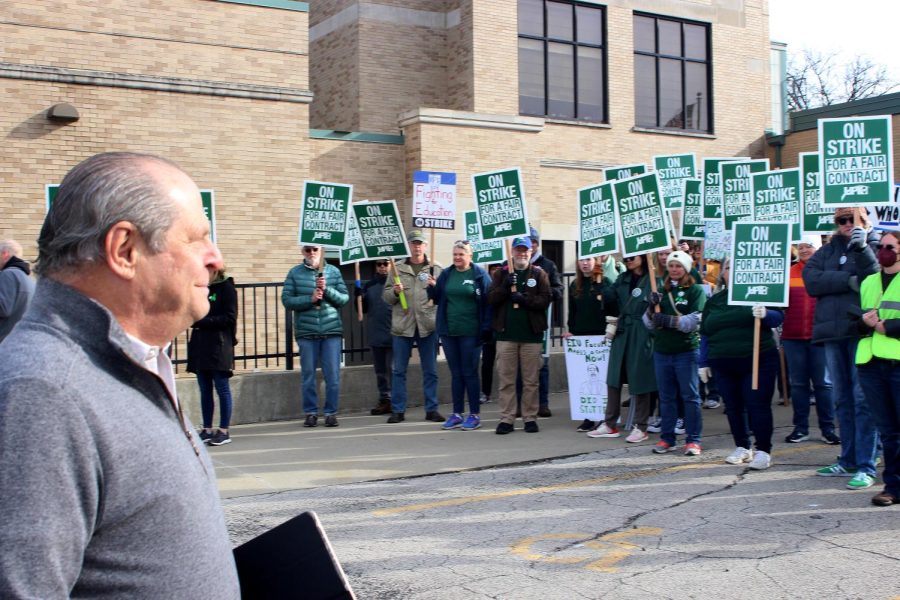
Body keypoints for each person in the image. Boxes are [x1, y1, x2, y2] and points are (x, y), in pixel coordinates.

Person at [0, 152, 239, 597]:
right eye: (196, 238)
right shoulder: (44, 394)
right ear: (125, 250)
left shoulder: (126, 364)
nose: (216, 258)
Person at [803, 207, 881, 490]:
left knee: (863, 401)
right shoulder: (827, 250)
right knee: (842, 399)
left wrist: (862, 250)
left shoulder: (874, 245)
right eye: (842, 220)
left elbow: (872, 280)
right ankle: (847, 458)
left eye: (853, 219)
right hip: (832, 334)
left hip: (861, 333)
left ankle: (866, 464)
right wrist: (846, 280)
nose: (848, 224)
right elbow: (812, 280)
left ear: (864, 220)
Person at [700, 258, 783, 470]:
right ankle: (742, 446)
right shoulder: (715, 301)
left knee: (757, 404)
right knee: (733, 407)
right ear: (722, 274)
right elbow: (706, 332)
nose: (731, 271)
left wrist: (765, 313)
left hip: (757, 360)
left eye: (736, 267)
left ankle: (763, 450)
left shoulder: (758, 294)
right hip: (723, 363)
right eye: (727, 268)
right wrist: (703, 362)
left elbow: (777, 318)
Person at [588, 254, 657, 442]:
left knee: (640, 377)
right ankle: (610, 423)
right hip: (623, 330)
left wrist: (657, 302)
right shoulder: (623, 278)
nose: (628, 261)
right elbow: (609, 296)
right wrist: (600, 279)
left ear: (643, 257)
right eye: (625, 258)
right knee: (614, 376)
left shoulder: (652, 279)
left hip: (642, 331)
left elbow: (658, 306)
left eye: (631, 257)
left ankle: (641, 426)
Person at [643, 250, 706, 455]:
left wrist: (671, 321)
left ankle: (693, 439)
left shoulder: (695, 290)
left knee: (690, 396)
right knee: (666, 397)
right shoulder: (660, 289)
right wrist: (651, 308)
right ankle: (667, 438)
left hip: (685, 351)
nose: (674, 269)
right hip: (662, 351)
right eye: (671, 265)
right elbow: (648, 323)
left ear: (686, 268)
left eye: (678, 266)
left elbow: (696, 320)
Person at [855, 229, 900, 506]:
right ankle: (892, 486)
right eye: (881, 246)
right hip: (870, 363)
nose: (883, 250)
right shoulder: (869, 282)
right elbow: (858, 321)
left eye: (890, 246)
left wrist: (890, 327)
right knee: (887, 430)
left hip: (897, 361)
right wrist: (864, 324)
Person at [488, 236, 551, 434]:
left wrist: (524, 300)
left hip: (531, 336)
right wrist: (505, 287)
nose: (521, 253)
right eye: (518, 250)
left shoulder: (539, 274)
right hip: (506, 336)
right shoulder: (501, 274)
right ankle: (507, 418)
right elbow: (490, 299)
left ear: (530, 252)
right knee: (506, 379)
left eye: (525, 250)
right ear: (512, 252)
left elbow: (545, 299)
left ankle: (530, 418)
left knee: (530, 380)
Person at [282, 244, 349, 428]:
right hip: (307, 332)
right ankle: (310, 413)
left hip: (331, 331)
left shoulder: (333, 272)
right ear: (302, 252)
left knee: (333, 376)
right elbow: (287, 300)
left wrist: (326, 289)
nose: (311, 253)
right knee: (308, 375)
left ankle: (330, 413)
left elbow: (344, 299)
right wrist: (309, 299)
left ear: (321, 250)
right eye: (307, 250)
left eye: (315, 250)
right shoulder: (294, 273)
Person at [383, 229, 444, 423]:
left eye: (420, 243)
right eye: (413, 243)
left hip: (428, 324)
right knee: (399, 370)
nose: (417, 246)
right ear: (408, 246)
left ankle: (432, 409)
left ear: (425, 245)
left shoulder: (435, 268)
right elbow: (385, 297)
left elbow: (445, 297)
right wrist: (394, 291)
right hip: (403, 324)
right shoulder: (396, 268)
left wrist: (437, 288)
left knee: (431, 370)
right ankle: (398, 410)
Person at [781, 235, 838, 445]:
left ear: (818, 248)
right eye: (801, 246)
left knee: (824, 384)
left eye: (809, 246)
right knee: (798, 385)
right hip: (793, 337)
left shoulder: (826, 270)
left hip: (820, 337)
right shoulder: (788, 273)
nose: (804, 250)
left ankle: (828, 428)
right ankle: (801, 428)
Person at [433, 240, 490, 431]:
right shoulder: (447, 274)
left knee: (469, 373)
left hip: (471, 332)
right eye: (455, 254)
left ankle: (474, 414)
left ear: (470, 256)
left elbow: (489, 303)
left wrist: (486, 329)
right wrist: (431, 286)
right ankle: (457, 413)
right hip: (450, 331)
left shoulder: (479, 275)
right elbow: (436, 297)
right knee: (456, 374)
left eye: (461, 254)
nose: (457, 257)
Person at [564, 256, 618, 432]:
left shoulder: (606, 282)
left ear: (596, 262)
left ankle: (605, 416)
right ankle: (588, 416)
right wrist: (571, 330)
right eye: (581, 260)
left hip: (600, 337)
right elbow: (573, 311)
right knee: (584, 377)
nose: (584, 263)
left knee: (602, 378)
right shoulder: (575, 285)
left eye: (588, 260)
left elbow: (612, 308)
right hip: (581, 338)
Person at [516, 226, 563, 417]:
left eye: (534, 242)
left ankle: (542, 402)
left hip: (539, 321)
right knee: (518, 365)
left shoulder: (548, 265)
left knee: (541, 364)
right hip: (519, 322)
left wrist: (542, 294)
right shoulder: (511, 265)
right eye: (528, 242)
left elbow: (559, 290)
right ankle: (520, 404)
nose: (532, 246)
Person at [188, 267, 238, 446]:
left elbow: (229, 318)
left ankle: (224, 430)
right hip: (200, 345)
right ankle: (207, 428)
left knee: (222, 387)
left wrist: (203, 321)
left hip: (219, 344)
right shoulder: (200, 288)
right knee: (204, 388)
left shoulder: (226, 288)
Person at [360, 259, 393, 415]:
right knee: (380, 371)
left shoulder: (396, 284)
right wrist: (358, 297)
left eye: (385, 264)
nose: (382, 267)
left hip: (394, 334)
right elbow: (362, 310)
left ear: (391, 265)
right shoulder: (369, 285)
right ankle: (384, 400)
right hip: (376, 333)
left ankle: (396, 400)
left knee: (394, 370)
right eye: (379, 264)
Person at [0, 239, 35, 343]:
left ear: (5, 254)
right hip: (18, 340)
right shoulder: (27, 278)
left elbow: (3, 308)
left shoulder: (9, 274)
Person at [480, 263, 503, 404]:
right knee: (487, 364)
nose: (496, 272)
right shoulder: (487, 286)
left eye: (498, 269)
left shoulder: (506, 285)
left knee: (505, 365)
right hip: (489, 331)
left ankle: (505, 393)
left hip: (502, 331)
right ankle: (485, 392)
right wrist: (485, 329)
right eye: (493, 269)